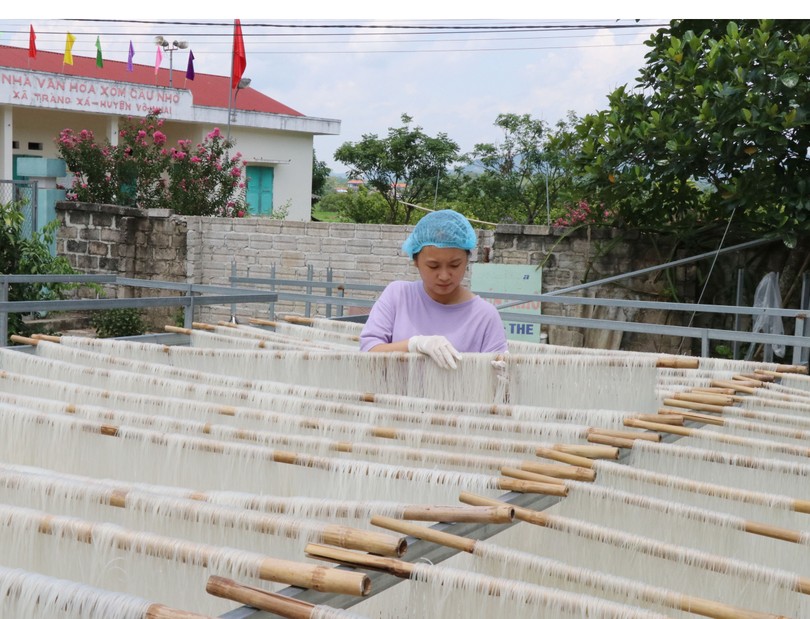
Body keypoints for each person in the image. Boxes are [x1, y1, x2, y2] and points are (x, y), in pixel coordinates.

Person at [360, 209, 508, 369]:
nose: (444, 276)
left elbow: (496, 375)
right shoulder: (398, 296)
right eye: (433, 266)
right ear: (415, 261)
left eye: (454, 265)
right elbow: (369, 351)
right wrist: (414, 345)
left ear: (467, 260)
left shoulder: (484, 316)